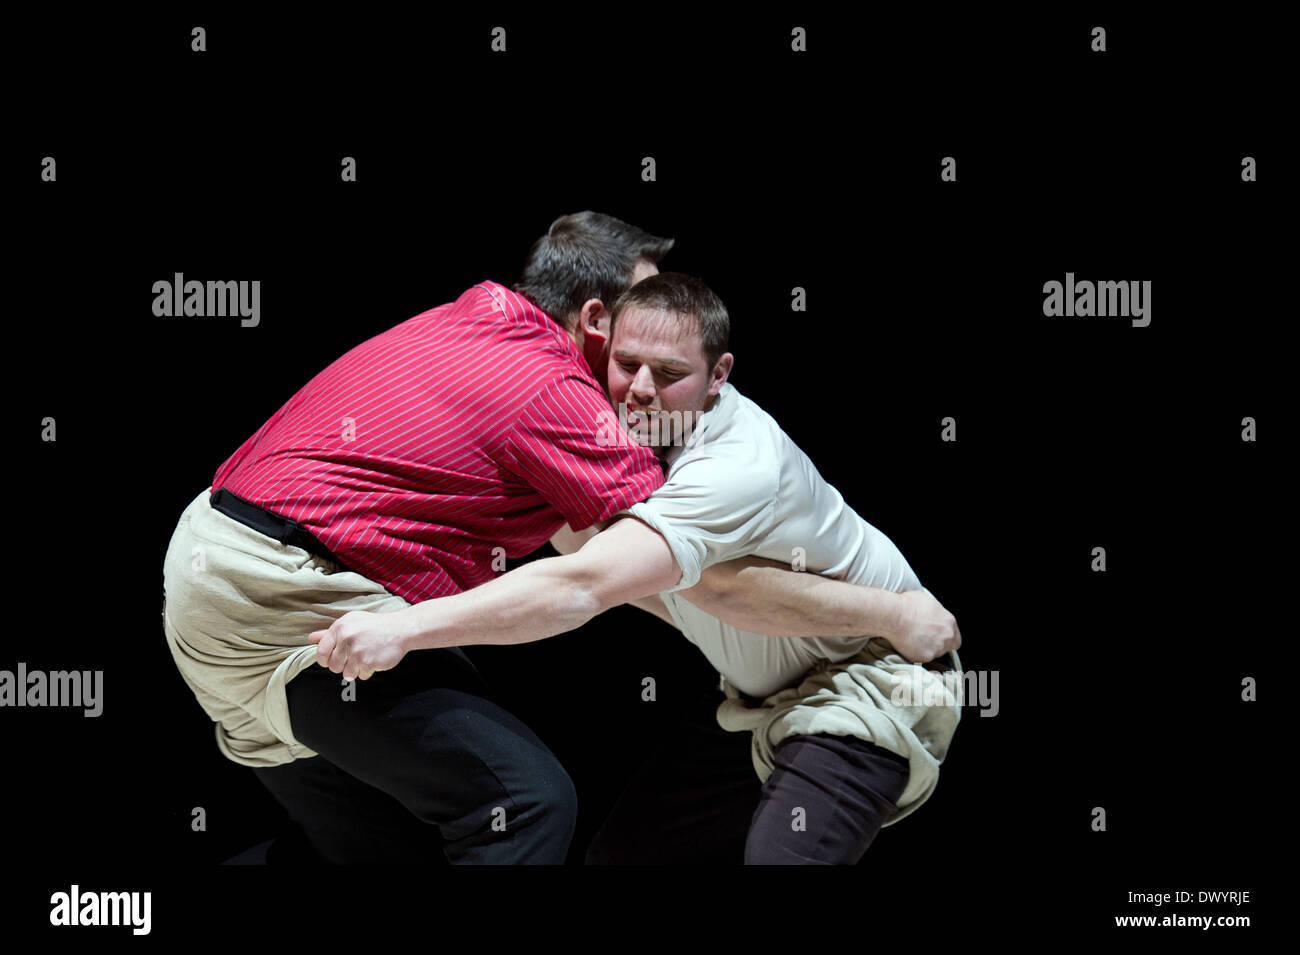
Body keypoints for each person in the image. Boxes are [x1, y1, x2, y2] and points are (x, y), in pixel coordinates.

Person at [163, 213, 955, 865]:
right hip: (293, 597)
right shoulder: (560, 391)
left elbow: (603, 561)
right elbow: (650, 580)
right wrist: (896, 612)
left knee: (389, 846)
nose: (659, 327)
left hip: (207, 584)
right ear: (596, 319)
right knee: (522, 802)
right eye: (646, 310)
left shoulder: (469, 315)